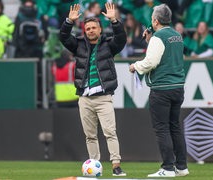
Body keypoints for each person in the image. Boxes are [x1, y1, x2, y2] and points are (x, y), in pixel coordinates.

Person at [59, 3, 127, 176]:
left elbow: (121, 38)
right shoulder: (78, 45)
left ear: (100, 30)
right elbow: (63, 37)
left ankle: (116, 165)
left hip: (103, 97)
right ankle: (95, 165)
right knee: (90, 136)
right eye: (87, 28)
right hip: (85, 97)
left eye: (93, 28)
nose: (90, 30)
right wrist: (68, 21)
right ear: (84, 30)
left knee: (110, 132)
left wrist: (114, 20)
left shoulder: (109, 45)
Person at [129, 4, 189, 178]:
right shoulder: (177, 35)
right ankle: (182, 167)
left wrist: (135, 66)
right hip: (178, 87)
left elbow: (151, 62)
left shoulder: (158, 37)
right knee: (175, 127)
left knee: (162, 129)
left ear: (155, 20)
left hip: (162, 88)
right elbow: (167, 56)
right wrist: (151, 40)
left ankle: (168, 168)